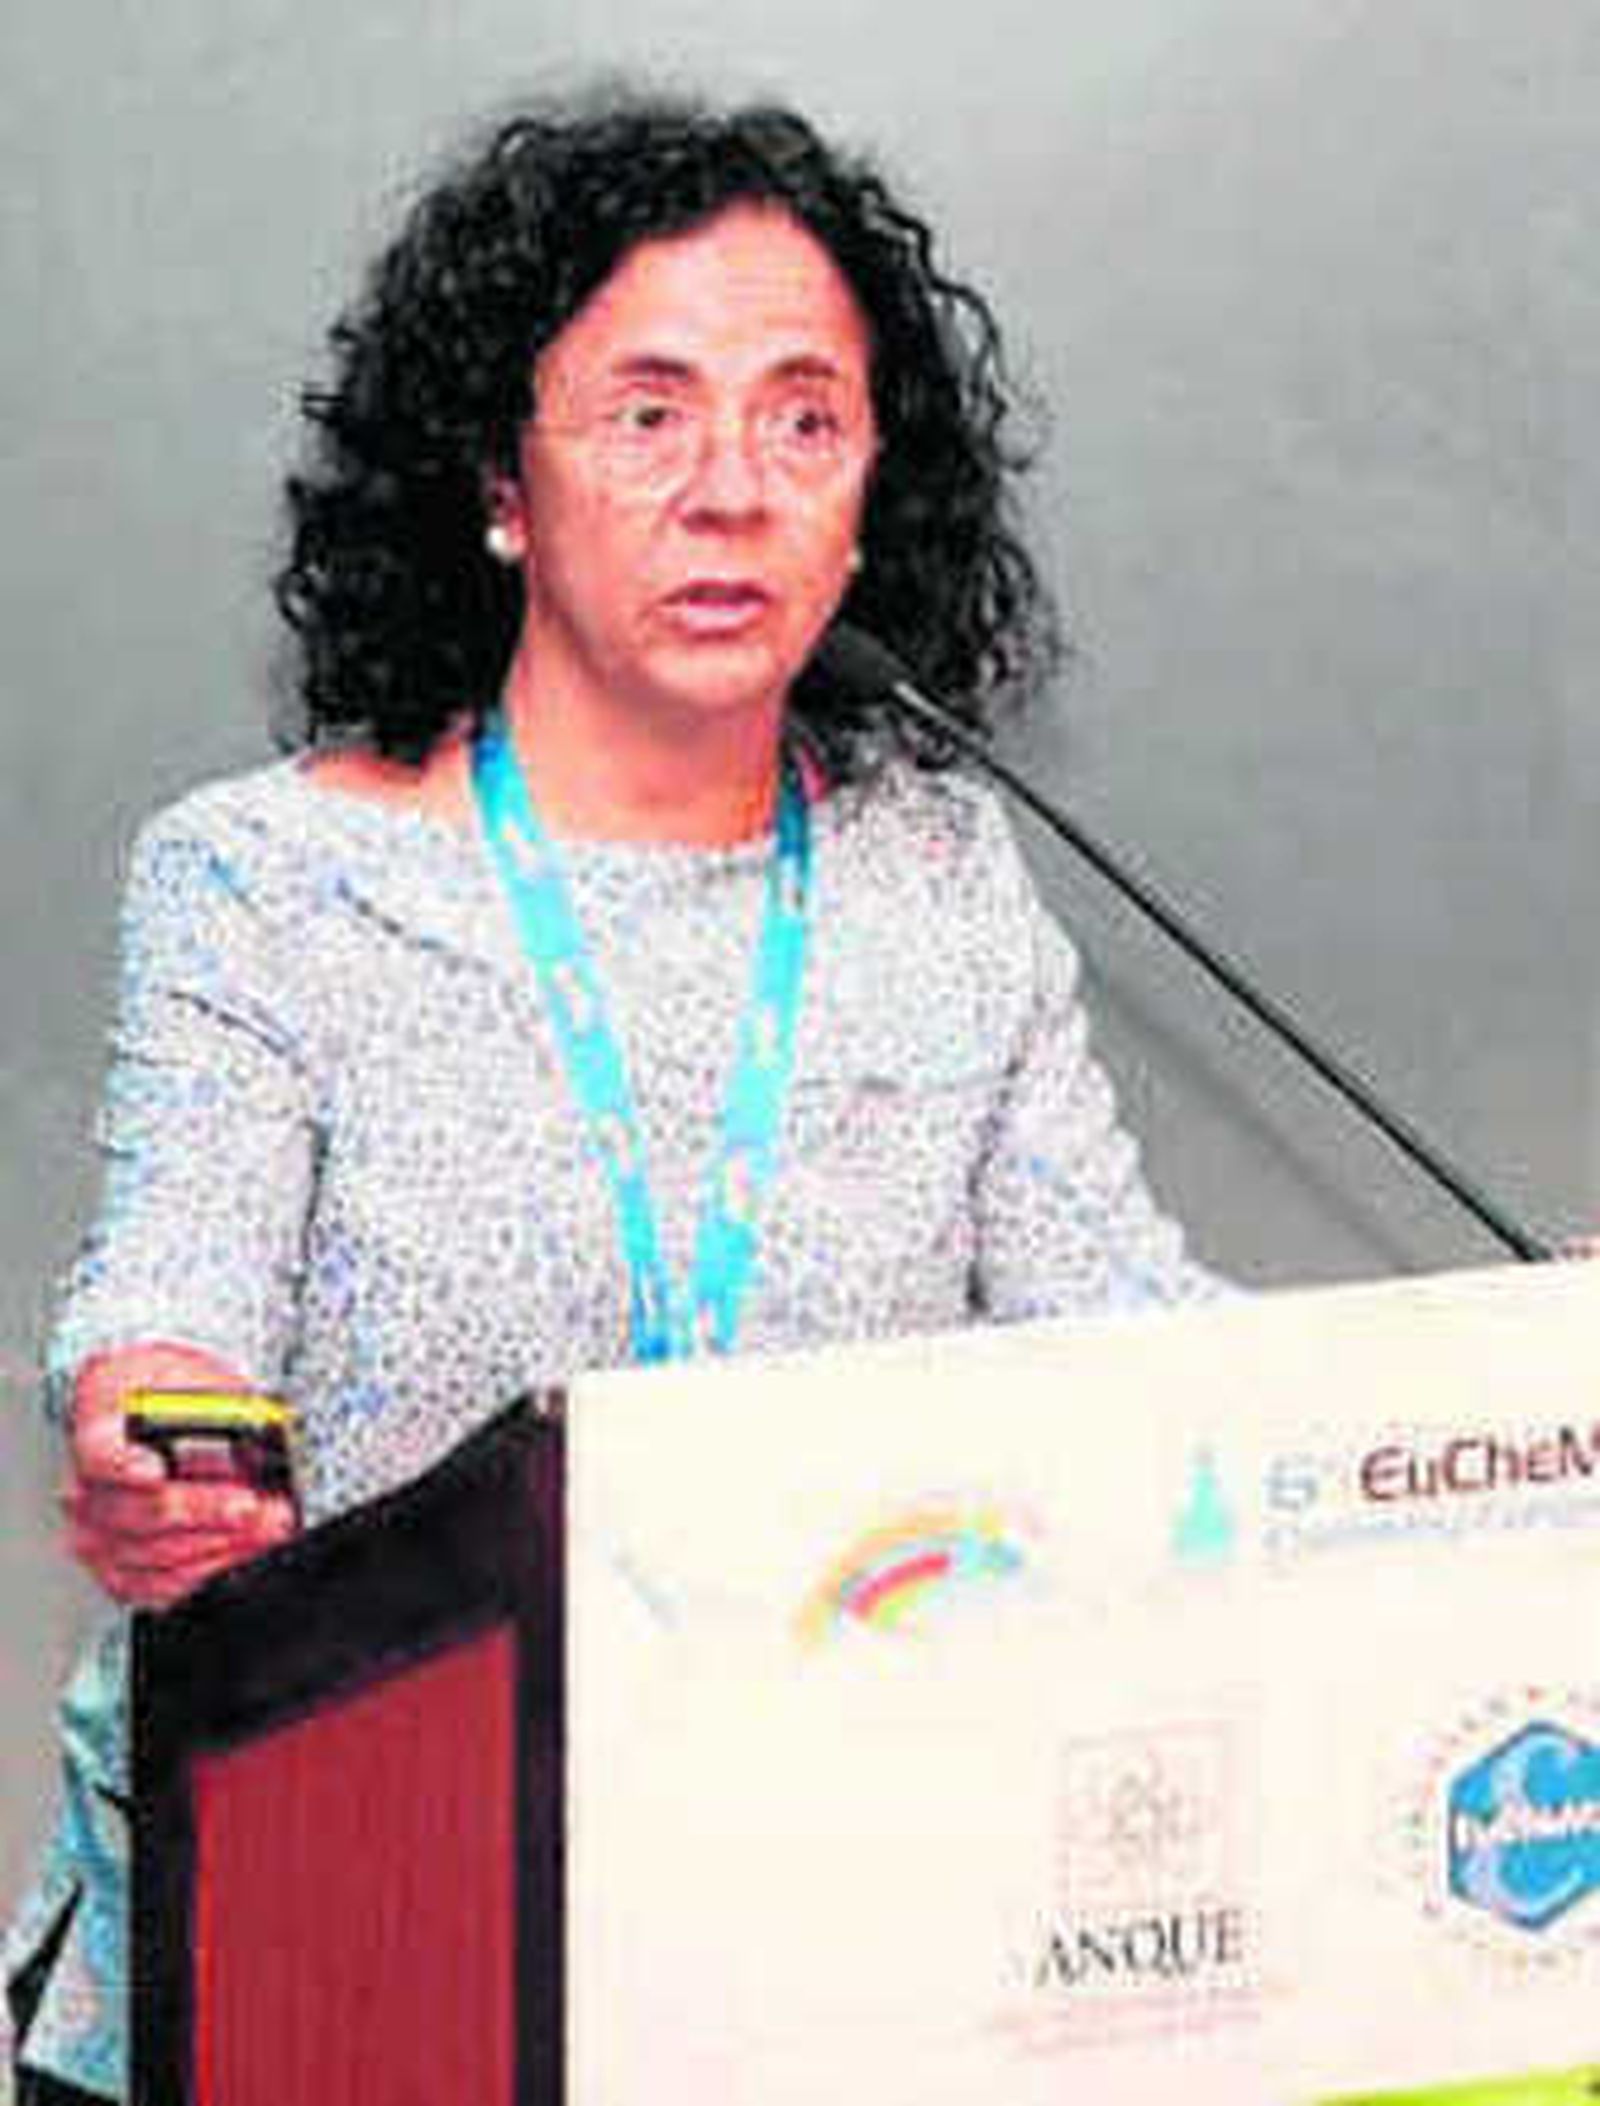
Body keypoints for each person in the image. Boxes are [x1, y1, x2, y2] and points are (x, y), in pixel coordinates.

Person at [4, 89, 1219, 2102]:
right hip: (331, 1910)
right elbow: (168, 1297)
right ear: (502, 480)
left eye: (803, 420)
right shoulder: (269, 878)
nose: (731, 490)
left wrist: (1507, 1369)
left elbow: (1128, 1332)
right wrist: (158, 1438)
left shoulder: (940, 874)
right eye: (647, 414)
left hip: (785, 1923)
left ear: (872, 493)